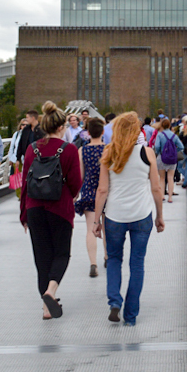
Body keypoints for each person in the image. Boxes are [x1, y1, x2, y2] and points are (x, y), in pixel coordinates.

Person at [93, 112, 165, 325]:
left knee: (114, 259)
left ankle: (115, 302)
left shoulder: (109, 153)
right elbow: (156, 188)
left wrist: (96, 221)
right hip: (142, 215)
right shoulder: (148, 153)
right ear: (137, 131)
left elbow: (102, 190)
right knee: (137, 263)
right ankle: (131, 316)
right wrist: (159, 216)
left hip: (114, 216)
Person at [19, 101, 83, 319]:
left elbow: (25, 184)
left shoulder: (32, 149)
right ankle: (51, 291)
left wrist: (23, 214)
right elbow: (75, 183)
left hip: (34, 207)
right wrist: (71, 195)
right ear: (62, 127)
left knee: (42, 258)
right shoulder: (69, 149)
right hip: (60, 208)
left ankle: (47, 308)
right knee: (62, 253)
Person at [73, 118, 106, 277]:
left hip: (88, 191)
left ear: (87, 132)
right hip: (106, 191)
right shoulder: (108, 149)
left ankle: (93, 263)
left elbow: (80, 175)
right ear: (103, 132)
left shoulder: (82, 151)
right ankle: (107, 256)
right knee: (107, 227)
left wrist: (76, 193)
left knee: (90, 228)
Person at [151, 118, 181, 203]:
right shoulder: (174, 135)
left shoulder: (160, 135)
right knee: (170, 178)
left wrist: (160, 152)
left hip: (161, 158)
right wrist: (174, 152)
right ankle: (170, 197)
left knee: (162, 178)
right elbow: (181, 146)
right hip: (172, 159)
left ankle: (162, 196)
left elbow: (156, 146)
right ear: (169, 125)